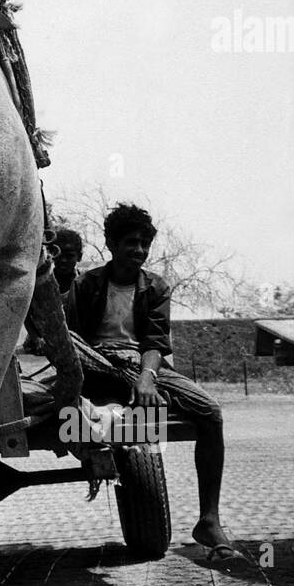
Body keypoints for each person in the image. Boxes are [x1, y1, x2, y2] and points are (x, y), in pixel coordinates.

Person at [69, 202, 235, 560]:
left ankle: (209, 519)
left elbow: (155, 343)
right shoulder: (87, 285)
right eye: (131, 243)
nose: (140, 251)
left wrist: (146, 378)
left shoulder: (156, 287)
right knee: (106, 411)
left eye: (145, 244)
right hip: (97, 367)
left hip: (144, 366)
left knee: (210, 412)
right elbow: (73, 341)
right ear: (111, 244)